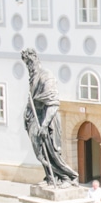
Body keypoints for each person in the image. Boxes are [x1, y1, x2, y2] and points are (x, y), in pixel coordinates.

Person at [21, 48, 80, 187]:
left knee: (53, 154)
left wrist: (44, 125)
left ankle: (69, 177)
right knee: (40, 153)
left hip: (47, 121)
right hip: (35, 120)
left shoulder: (46, 76)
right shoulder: (33, 78)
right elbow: (31, 101)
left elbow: (53, 104)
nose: (29, 66)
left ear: (36, 59)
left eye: (30, 62)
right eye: (26, 64)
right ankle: (51, 177)